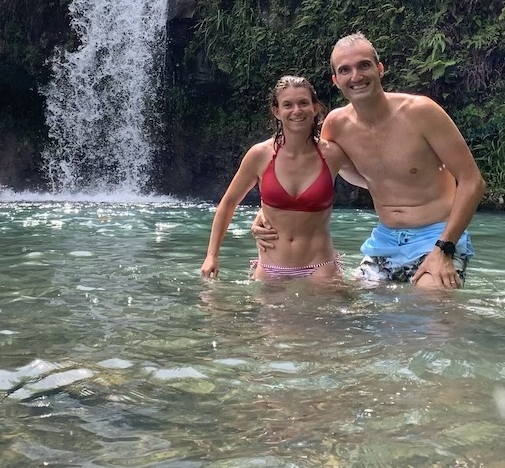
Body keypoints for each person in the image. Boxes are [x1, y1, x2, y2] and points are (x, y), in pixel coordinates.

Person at [253, 34, 485, 288]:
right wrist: (267, 213)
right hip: (384, 241)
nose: (356, 76)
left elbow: (472, 181)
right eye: (345, 70)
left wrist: (444, 247)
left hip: (437, 235)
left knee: (432, 302)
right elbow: (306, 170)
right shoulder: (337, 125)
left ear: (380, 68)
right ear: (336, 80)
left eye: (364, 65)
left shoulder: (421, 112)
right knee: (354, 312)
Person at [200, 75, 362, 282]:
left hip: (320, 268)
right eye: (288, 105)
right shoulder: (260, 155)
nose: (297, 111)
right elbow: (228, 203)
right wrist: (211, 255)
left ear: (315, 108)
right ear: (276, 111)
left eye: (303, 103)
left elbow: (373, 180)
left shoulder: (332, 154)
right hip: (271, 268)